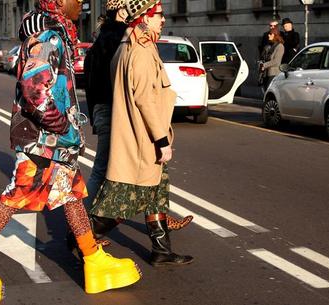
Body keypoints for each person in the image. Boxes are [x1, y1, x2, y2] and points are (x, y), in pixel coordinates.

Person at [0, 0, 141, 302]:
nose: (82, 4)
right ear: (60, 2)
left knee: (72, 194)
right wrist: (60, 126)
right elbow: (35, 88)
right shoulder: (48, 37)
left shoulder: (56, 34)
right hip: (43, 141)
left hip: (52, 142)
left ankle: (93, 259)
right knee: (17, 196)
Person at [90, 0, 194, 267]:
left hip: (139, 134)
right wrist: (162, 140)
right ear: (145, 18)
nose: (163, 20)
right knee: (124, 198)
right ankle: (84, 237)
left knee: (156, 192)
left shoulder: (128, 45)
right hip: (143, 137)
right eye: (159, 15)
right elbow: (145, 100)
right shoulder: (142, 51)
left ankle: (161, 249)